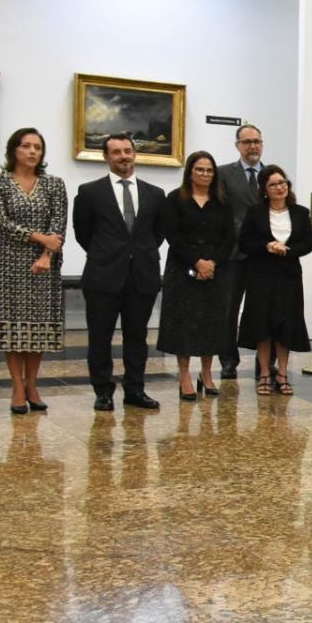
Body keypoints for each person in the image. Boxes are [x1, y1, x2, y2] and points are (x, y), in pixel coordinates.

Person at [73, 134, 170, 412]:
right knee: (100, 337)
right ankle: (103, 391)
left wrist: (137, 252)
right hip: (103, 276)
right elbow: (83, 233)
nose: (123, 156)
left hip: (142, 275)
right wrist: (109, 253)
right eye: (116, 152)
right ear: (106, 157)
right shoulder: (90, 192)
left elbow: (158, 233)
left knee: (137, 337)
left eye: (127, 151)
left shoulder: (155, 194)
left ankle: (135, 390)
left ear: (135, 154)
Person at [0, 127, 66, 414]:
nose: (32, 152)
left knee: (38, 328)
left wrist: (46, 254)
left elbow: (59, 223)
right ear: (13, 149)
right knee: (13, 326)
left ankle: (33, 384)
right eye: (26, 146)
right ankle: (17, 386)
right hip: (10, 261)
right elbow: (2, 222)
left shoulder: (54, 184)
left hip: (46, 264)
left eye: (37, 147)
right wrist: (39, 237)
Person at [158, 151, 232, 400]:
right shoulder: (175, 199)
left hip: (215, 271)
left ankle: (207, 373)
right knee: (184, 325)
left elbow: (229, 238)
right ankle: (184, 376)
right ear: (190, 172)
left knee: (211, 324)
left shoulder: (222, 201)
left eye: (209, 170)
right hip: (182, 269)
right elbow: (172, 235)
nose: (205, 174)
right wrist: (196, 261)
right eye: (199, 169)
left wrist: (212, 263)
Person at [237, 166, 312, 395]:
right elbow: (244, 243)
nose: (280, 188)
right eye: (273, 185)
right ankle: (264, 374)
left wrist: (287, 251)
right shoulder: (255, 212)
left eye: (283, 183)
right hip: (261, 275)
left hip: (288, 275)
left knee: (285, 324)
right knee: (263, 325)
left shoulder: (300, 212)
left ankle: (282, 373)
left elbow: (308, 244)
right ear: (265, 190)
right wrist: (267, 246)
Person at [216, 123, 265, 379]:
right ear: (238, 146)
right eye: (247, 142)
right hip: (234, 254)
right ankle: (228, 360)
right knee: (229, 311)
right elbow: (222, 213)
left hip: (263, 257)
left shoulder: (272, 175)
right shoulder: (224, 174)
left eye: (256, 141)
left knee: (261, 311)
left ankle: (264, 363)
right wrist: (246, 233)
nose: (252, 146)